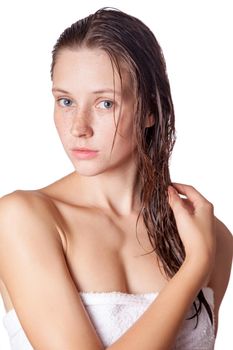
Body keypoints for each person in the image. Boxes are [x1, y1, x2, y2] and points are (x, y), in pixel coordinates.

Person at [0, 7, 232, 350]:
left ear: (151, 109)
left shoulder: (211, 236)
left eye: (105, 104)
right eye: (65, 101)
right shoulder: (23, 219)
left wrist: (202, 254)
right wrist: (194, 267)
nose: (78, 127)